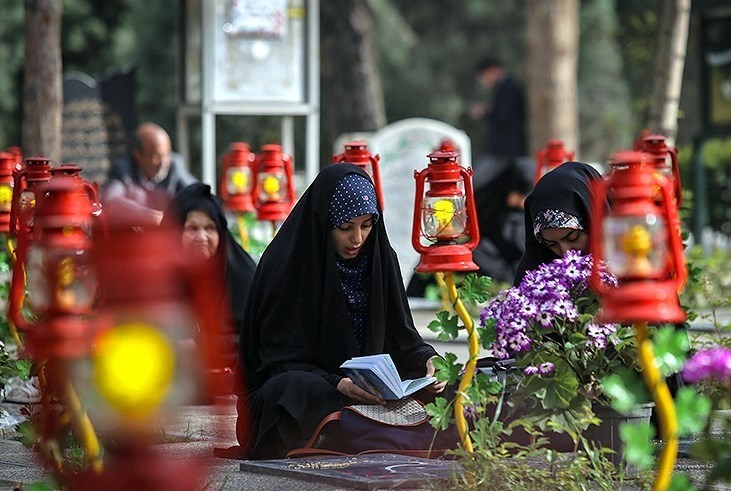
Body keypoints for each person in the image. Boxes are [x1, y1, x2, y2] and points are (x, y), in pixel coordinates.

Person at [235, 163, 446, 459]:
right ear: (324, 222)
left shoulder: (379, 258)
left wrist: (428, 360)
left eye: (367, 225)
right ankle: (367, 432)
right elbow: (276, 362)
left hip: (372, 392)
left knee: (454, 386)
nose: (357, 239)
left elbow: (403, 339)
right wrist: (338, 383)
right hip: (313, 386)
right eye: (345, 227)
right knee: (293, 389)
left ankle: (361, 432)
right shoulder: (288, 264)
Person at [160, 183, 257, 387]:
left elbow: (256, 340)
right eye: (192, 228)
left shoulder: (242, 275)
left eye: (210, 228)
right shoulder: (160, 278)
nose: (202, 238)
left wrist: (201, 346)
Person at [514, 161, 605, 285]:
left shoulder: (628, 258)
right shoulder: (535, 272)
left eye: (573, 238)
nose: (565, 252)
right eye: (552, 244)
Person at [102, 122, 197, 227]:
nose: (163, 162)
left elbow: (198, 193)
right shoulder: (123, 169)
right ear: (137, 154)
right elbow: (111, 201)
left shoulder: (174, 165)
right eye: (156, 156)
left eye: (167, 154)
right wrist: (151, 217)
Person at [472, 57, 527, 162]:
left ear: (490, 71)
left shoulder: (508, 88)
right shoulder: (506, 87)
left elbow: (503, 118)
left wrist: (485, 113)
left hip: (507, 149)